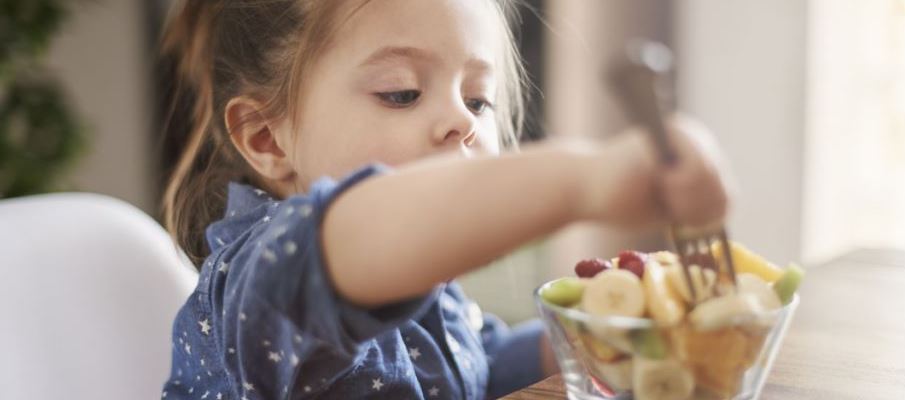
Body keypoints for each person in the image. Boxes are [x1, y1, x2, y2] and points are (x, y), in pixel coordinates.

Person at [159, 0, 729, 398]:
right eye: (401, 93)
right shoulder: (261, 280)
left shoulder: (423, 284)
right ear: (266, 138)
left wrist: (588, 336)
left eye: (478, 100)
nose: (462, 119)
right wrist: (587, 178)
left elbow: (473, 370)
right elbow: (364, 230)